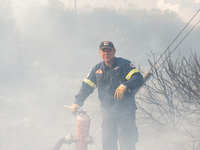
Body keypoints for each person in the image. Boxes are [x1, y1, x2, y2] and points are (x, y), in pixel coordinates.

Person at [70, 41, 143, 150]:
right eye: (103, 51)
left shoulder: (124, 65)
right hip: (108, 114)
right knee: (108, 145)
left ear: (114, 51)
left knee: (127, 144)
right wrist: (77, 102)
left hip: (125, 112)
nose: (106, 53)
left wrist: (125, 85)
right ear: (100, 53)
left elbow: (138, 78)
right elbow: (86, 87)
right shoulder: (97, 69)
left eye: (109, 50)